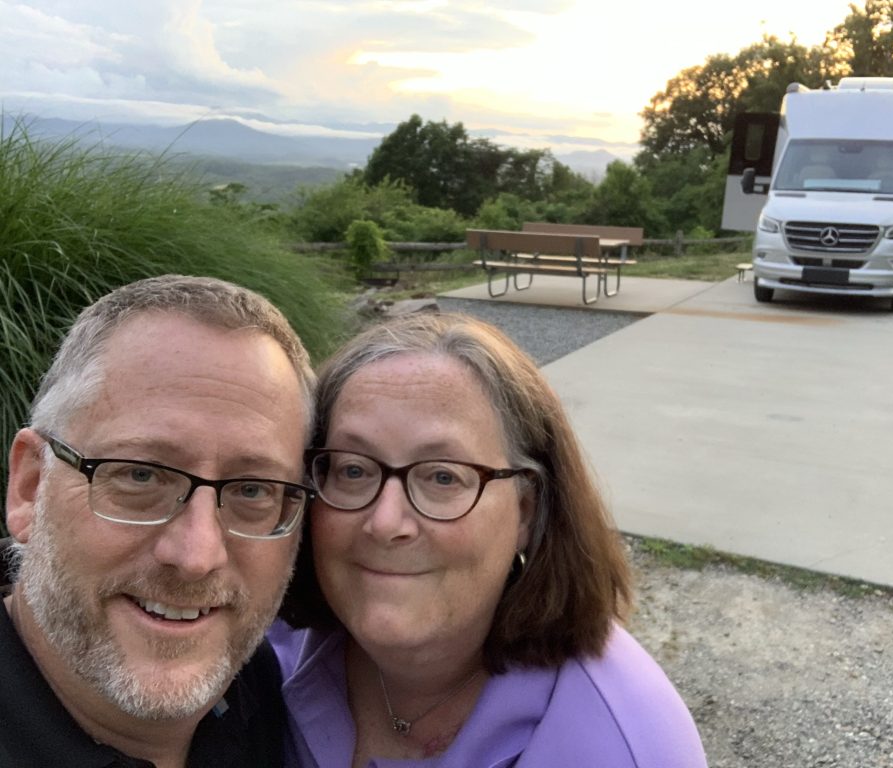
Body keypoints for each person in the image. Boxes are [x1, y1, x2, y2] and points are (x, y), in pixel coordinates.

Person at [271, 312, 707, 767]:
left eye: (443, 477)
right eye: (353, 470)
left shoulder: (625, 747)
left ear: (526, 511)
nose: (385, 522)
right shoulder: (258, 650)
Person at [1, 274, 317, 767]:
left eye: (252, 490)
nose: (196, 557)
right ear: (30, 486)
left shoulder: (282, 700)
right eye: (141, 476)